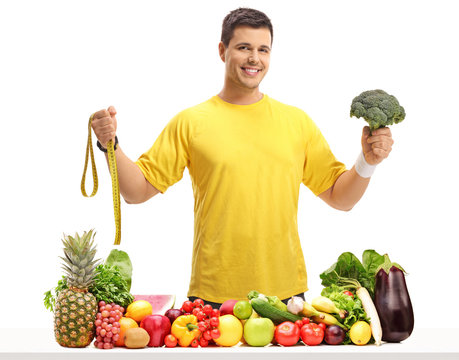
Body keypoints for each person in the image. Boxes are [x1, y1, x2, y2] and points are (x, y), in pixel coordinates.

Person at [91, 8, 394, 308]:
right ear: (222, 51)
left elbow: (340, 198)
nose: (254, 58)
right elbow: (136, 191)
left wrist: (367, 161)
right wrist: (110, 144)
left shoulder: (297, 122)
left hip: (286, 296)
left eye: (263, 49)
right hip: (211, 297)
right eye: (244, 48)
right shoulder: (190, 122)